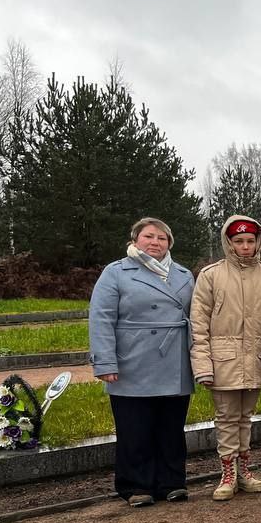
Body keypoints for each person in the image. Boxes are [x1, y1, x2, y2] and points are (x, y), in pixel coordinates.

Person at [89, 217, 195, 507]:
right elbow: (101, 318)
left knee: (172, 427)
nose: (155, 242)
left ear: (169, 243)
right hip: (132, 361)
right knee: (135, 427)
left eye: (162, 238)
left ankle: (172, 482)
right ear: (135, 240)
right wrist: (105, 362)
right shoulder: (115, 273)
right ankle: (136, 485)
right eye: (148, 236)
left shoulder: (184, 274)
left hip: (174, 359)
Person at [190, 216, 261, 502]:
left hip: (255, 358)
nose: (245, 246)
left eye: (250, 241)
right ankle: (227, 473)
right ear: (229, 242)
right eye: (239, 241)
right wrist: (203, 364)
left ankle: (245, 470)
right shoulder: (211, 275)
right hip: (222, 360)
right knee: (226, 417)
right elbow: (198, 323)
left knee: (246, 417)